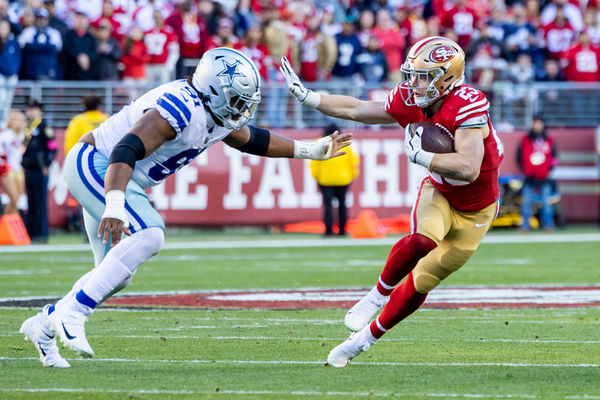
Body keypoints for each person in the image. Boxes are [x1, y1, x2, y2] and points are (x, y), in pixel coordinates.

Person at [19, 47, 352, 368]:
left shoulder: (213, 111)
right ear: (214, 90)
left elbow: (254, 140)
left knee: (115, 273)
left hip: (119, 176)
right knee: (150, 235)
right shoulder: (182, 105)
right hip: (99, 165)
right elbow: (125, 149)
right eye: (236, 100)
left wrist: (311, 150)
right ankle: (74, 313)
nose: (240, 109)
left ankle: (46, 325)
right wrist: (116, 203)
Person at [281, 35, 504, 367]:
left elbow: (469, 168)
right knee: (421, 240)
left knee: (423, 279)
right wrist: (312, 98)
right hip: (441, 193)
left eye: (424, 76)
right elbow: (359, 108)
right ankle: (375, 296)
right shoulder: (413, 98)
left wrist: (424, 157)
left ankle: (363, 341)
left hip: (477, 212)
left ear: (447, 77)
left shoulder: (467, 104)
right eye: (412, 74)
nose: (414, 83)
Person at [310, 124, 359, 236]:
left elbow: (314, 163)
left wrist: (316, 177)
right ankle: (342, 230)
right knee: (342, 205)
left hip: (325, 180)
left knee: (328, 205)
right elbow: (353, 163)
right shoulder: (344, 144)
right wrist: (351, 176)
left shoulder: (319, 143)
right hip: (343, 179)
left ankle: (328, 230)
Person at [22, 97, 56, 242]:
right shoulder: (28, 128)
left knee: (40, 200)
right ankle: (31, 231)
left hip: (40, 168)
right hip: (28, 168)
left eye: (34, 109)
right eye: (29, 109)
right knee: (31, 201)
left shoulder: (44, 127)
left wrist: (46, 165)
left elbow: (52, 148)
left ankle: (41, 233)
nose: (30, 112)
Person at [516, 115, 558, 232]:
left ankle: (548, 226)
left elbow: (554, 158)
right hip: (529, 177)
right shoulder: (525, 139)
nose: (537, 125)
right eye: (535, 123)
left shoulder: (549, 140)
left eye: (539, 123)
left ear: (543, 125)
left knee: (546, 203)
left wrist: (551, 170)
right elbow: (518, 157)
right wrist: (524, 170)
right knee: (526, 204)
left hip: (544, 177)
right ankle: (524, 226)